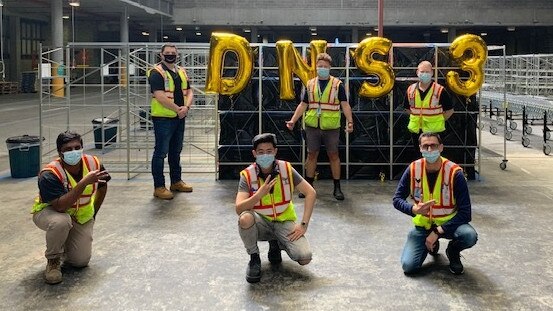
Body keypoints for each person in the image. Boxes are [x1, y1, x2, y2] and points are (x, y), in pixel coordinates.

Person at [392, 132, 478, 275]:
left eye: (433, 146)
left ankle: (453, 251)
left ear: (441, 147)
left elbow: (465, 213)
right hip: (423, 226)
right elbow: (397, 199)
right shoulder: (413, 169)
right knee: (408, 267)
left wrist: (437, 232)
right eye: (426, 146)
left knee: (469, 235)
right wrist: (413, 209)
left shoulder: (454, 173)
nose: (430, 150)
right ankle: (428, 243)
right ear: (420, 148)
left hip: (450, 225)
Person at [235, 133, 316, 283]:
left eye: (269, 151)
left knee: (304, 257)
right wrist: (259, 195)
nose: (265, 155)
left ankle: (277, 244)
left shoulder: (286, 169)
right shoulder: (247, 175)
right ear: (254, 153)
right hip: (261, 223)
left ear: (275, 151)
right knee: (245, 218)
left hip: (283, 222)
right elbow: (239, 208)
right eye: (260, 152)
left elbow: (310, 192)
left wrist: (304, 225)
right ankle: (254, 258)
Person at [32, 131, 111, 284]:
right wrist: (83, 183)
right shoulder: (50, 174)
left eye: (77, 147)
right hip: (51, 212)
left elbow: (103, 187)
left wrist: (94, 213)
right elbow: (60, 207)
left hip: (80, 216)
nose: (74, 152)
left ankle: (66, 244)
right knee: (60, 222)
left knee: (80, 262)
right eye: (68, 149)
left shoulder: (94, 163)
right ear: (60, 152)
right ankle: (53, 260)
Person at [286, 53, 354, 200]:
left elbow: (345, 105)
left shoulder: (337, 85)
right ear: (316, 67)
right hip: (312, 126)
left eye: (325, 66)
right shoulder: (310, 84)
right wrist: (293, 120)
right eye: (320, 66)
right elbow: (303, 105)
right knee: (311, 155)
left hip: (331, 126)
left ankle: (337, 188)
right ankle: (308, 187)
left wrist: (350, 122)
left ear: (330, 68)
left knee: (333, 155)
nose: (322, 68)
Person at [147, 43, 194, 200]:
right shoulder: (156, 72)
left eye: (173, 52)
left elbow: (189, 91)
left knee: (176, 151)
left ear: (177, 54)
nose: (170, 55)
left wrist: (186, 108)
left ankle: (176, 181)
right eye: (167, 53)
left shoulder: (181, 71)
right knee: (160, 153)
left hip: (179, 117)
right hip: (163, 119)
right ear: (161, 55)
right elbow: (160, 96)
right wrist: (178, 109)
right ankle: (159, 187)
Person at [405, 61, 453, 146]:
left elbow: (449, 111)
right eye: (422, 72)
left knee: (432, 154)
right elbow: (407, 109)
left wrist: (438, 120)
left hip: (434, 132)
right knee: (418, 155)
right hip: (416, 131)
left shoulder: (440, 90)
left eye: (427, 72)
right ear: (417, 72)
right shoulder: (410, 89)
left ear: (432, 73)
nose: (424, 74)